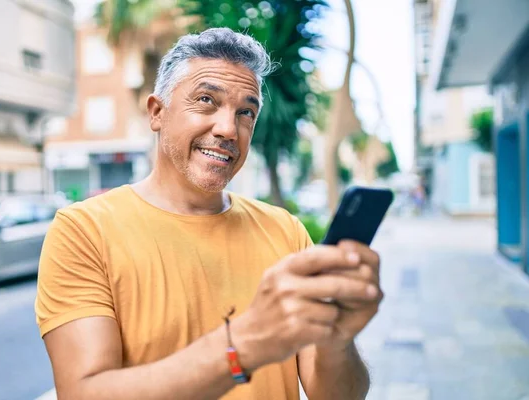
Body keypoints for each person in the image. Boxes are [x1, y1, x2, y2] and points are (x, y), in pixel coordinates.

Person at [35, 28, 383, 400]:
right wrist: (243, 345)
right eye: (205, 100)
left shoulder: (285, 230)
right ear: (157, 112)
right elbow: (84, 393)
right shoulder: (83, 231)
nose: (228, 129)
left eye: (246, 112)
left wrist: (337, 339)